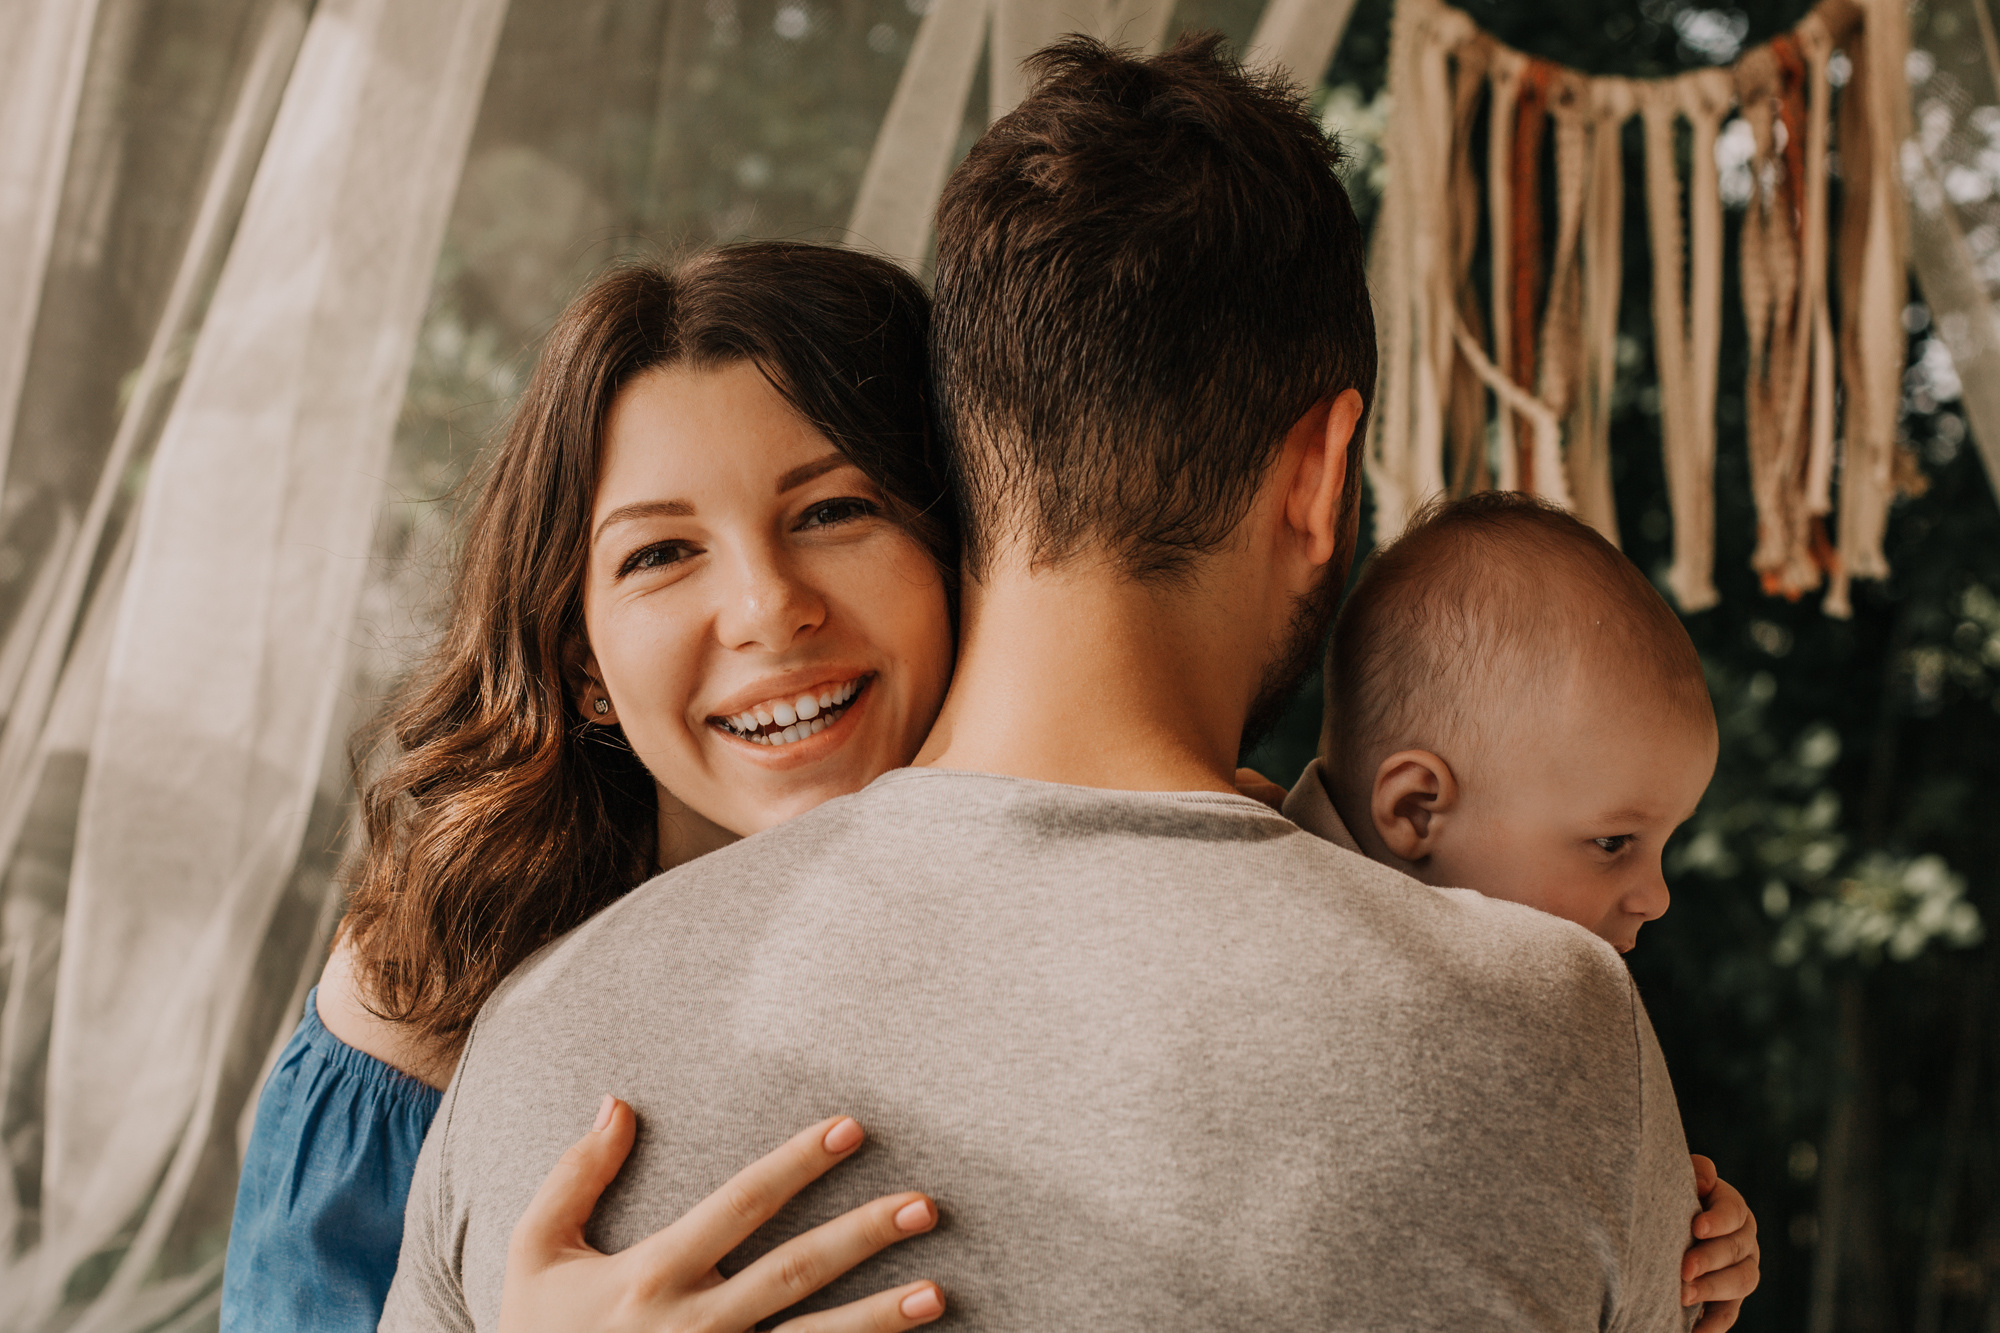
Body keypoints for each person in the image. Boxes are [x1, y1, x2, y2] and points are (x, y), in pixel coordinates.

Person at [382, 33, 1709, 1331]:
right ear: (1318, 473)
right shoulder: (1552, 1031)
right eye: (664, 552)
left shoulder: (545, 1039)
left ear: (963, 460)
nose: (766, 608)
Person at [222, 242, 964, 1333]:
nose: (767, 607)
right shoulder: (434, 980)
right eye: (661, 554)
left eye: (830, 511)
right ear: (581, 663)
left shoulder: (1151, 896)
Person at [1278, 491, 1759, 1328]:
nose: (1657, 895)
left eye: (1662, 844)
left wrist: (1699, 1254)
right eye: (1614, 841)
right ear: (1417, 809)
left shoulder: (1550, 1022)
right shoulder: (1257, 944)